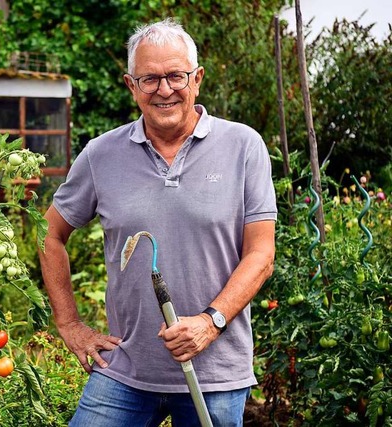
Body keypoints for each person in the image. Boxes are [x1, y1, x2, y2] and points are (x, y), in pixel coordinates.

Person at [38, 18, 276, 427]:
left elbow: (261, 253)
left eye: (175, 76)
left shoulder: (243, 147)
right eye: (150, 79)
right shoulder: (101, 155)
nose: (164, 90)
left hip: (215, 374)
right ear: (132, 86)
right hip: (125, 371)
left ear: (197, 79)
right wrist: (70, 324)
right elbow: (49, 235)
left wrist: (210, 321)